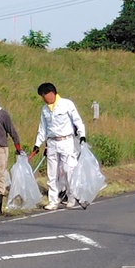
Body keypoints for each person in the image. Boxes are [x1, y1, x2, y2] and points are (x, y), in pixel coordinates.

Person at [30, 82, 86, 210]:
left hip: (67, 141)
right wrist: (37, 144)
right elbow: (42, 128)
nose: (44, 99)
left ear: (51, 93)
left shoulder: (67, 104)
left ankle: (71, 196)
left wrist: (82, 135)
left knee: (68, 170)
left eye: (44, 95)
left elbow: (77, 120)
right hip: (52, 143)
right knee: (52, 173)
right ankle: (53, 201)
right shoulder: (45, 109)